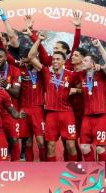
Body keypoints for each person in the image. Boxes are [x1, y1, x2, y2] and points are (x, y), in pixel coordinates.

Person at [28, 33, 79, 162]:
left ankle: (73, 173)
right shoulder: (46, 72)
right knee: (50, 146)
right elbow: (31, 56)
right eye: (54, 59)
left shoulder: (71, 75)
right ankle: (52, 174)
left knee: (70, 145)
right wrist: (38, 39)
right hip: (51, 114)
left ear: (63, 61)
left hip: (67, 114)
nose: (55, 61)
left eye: (58, 59)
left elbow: (82, 87)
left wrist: (76, 90)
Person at [78, 39, 106, 165]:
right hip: (87, 117)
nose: (82, 62)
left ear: (93, 64)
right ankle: (92, 174)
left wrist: (99, 46)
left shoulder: (102, 74)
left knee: (99, 148)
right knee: (84, 147)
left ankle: (102, 176)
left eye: (85, 60)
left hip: (101, 117)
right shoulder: (81, 76)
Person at [0, 48, 22, 161]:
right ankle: (2, 167)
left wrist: (6, 86)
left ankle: (15, 165)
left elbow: (17, 93)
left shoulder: (15, 71)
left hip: (11, 112)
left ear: (6, 58)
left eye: (0, 57)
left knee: (14, 140)